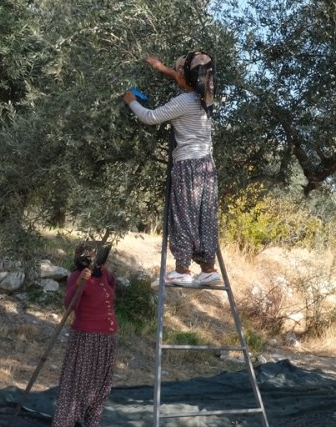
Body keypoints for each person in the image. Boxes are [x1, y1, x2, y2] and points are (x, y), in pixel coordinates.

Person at [123, 52, 219, 287]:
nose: (175, 76)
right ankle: (208, 269)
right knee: (204, 217)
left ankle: (182, 270)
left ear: (186, 78)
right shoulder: (207, 97)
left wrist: (131, 101)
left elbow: (150, 117)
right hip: (207, 166)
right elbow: (186, 78)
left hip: (187, 165)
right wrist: (163, 69)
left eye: (178, 72)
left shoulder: (182, 102)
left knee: (183, 215)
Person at [51, 245, 118, 427]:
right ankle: (66, 421)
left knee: (100, 384)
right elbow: (69, 304)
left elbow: (112, 286)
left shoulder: (103, 275)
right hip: (87, 337)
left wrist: (104, 271)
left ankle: (92, 420)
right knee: (78, 382)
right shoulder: (78, 276)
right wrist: (80, 282)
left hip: (107, 339)